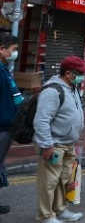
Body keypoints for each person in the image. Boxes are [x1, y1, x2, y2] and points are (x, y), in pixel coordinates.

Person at [33, 56, 85, 223]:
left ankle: (59, 210)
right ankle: (45, 215)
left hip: (67, 144)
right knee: (49, 182)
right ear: (68, 73)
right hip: (54, 145)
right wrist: (46, 145)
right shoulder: (52, 91)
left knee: (62, 179)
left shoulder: (71, 87)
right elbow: (42, 120)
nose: (82, 76)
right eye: (80, 73)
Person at [0, 33, 22, 219]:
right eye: (13, 49)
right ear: (2, 48)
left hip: (6, 125)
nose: (15, 53)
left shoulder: (3, 67)